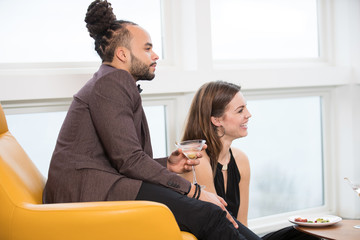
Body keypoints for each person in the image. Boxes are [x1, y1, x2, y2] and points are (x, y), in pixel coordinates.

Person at [43, 1, 262, 239]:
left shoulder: (111, 81)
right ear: (122, 54)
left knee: (214, 213)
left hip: (103, 183)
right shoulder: (111, 82)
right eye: (147, 49)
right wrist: (195, 192)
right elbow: (129, 160)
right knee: (209, 212)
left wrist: (167, 165)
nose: (155, 55)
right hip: (86, 192)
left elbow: (121, 157)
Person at [180, 81, 320, 240]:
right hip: (219, 236)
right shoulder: (198, 161)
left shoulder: (240, 159)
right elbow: (217, 226)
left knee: (306, 234)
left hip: (238, 235)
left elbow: (241, 222)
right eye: (240, 110)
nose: (248, 114)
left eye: (245, 107)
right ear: (216, 120)